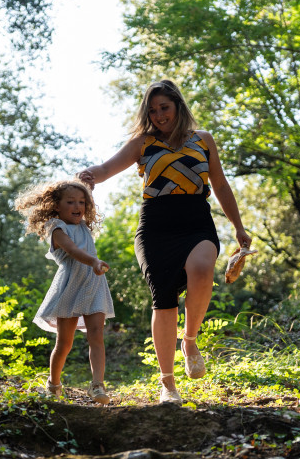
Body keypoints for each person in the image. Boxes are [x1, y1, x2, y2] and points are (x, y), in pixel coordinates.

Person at [78, 79, 251, 405]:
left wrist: (238, 227)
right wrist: (89, 176)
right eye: (153, 110)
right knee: (165, 299)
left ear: (178, 107)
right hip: (155, 227)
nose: (159, 115)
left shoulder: (204, 140)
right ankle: (168, 384)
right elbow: (105, 168)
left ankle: (189, 340)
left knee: (202, 271)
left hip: (196, 221)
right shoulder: (142, 143)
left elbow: (221, 185)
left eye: (164, 108)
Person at [14, 179, 114, 405]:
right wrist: (95, 262)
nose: (77, 206)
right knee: (64, 343)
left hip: (94, 283)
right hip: (71, 285)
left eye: (81, 202)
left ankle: (97, 385)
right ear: (56, 205)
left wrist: (87, 185)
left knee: (96, 334)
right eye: (70, 202)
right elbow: (73, 250)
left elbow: (84, 198)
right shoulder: (56, 228)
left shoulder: (84, 226)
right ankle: (53, 384)